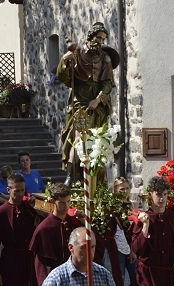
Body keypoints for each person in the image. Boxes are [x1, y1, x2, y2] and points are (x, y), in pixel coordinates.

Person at [57, 22, 117, 181]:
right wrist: (64, 61)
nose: (100, 42)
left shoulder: (105, 58)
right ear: (91, 36)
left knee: (98, 140)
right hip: (79, 99)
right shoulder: (77, 53)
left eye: (103, 39)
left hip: (97, 103)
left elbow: (108, 84)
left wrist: (98, 100)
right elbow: (65, 78)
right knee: (78, 138)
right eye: (98, 37)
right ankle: (71, 176)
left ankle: (97, 180)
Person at [29, 183, 85, 286]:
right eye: (62, 202)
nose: (66, 206)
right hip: (57, 278)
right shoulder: (44, 228)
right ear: (53, 202)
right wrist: (45, 285)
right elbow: (39, 262)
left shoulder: (73, 222)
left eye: (68, 202)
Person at [111, 178, 138, 286]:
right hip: (117, 248)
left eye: (127, 188)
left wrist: (133, 250)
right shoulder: (112, 207)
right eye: (122, 189)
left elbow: (135, 231)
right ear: (115, 191)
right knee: (119, 282)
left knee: (136, 280)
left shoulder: (132, 205)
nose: (125, 192)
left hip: (131, 248)